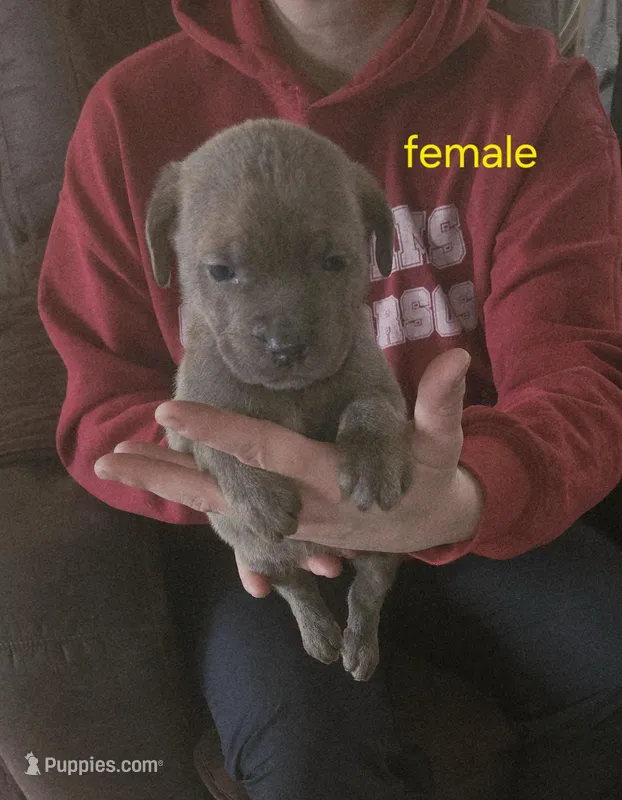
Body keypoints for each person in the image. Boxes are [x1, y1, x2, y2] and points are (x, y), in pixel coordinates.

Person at [38, 0, 622, 798]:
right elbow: (99, 404)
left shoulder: (526, 103)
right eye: (227, 268)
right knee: (304, 748)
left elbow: (582, 377)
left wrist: (474, 491)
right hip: (256, 537)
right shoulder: (133, 115)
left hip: (467, 502)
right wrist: (224, 492)